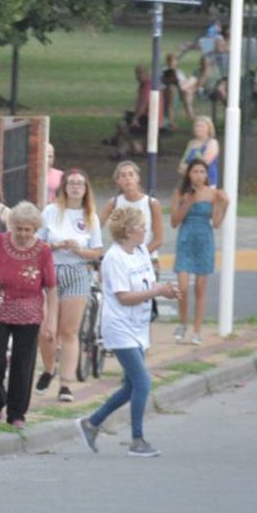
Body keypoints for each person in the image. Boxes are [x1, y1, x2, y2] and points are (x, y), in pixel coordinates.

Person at [76, 206, 178, 458]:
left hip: (139, 326)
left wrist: (163, 289)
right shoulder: (114, 258)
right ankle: (137, 439)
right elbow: (124, 297)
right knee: (142, 382)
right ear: (128, 230)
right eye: (141, 227)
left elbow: (147, 281)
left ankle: (91, 423)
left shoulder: (141, 250)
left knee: (131, 385)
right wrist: (157, 292)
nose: (145, 230)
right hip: (120, 327)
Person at [0, 202, 57, 429]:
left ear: (35, 229)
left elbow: (51, 287)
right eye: (18, 228)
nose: (22, 234)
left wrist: (50, 320)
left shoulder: (43, 251)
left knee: (23, 363)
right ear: (12, 226)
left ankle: (17, 413)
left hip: (29, 312)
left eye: (27, 229)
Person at [39, 169, 104, 403]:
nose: (76, 187)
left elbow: (96, 250)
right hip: (52, 270)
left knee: (69, 331)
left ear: (86, 189)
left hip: (77, 271)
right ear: (64, 186)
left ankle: (66, 384)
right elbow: (38, 242)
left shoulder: (90, 216)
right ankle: (48, 368)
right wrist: (55, 246)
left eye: (80, 184)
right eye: (72, 183)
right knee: (47, 330)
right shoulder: (51, 211)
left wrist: (77, 249)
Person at [170, 158, 231, 345]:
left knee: (200, 287)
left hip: (204, 239)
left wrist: (224, 204)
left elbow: (216, 223)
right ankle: (182, 323)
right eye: (195, 172)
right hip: (186, 237)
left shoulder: (212, 194)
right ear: (189, 174)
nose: (198, 176)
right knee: (182, 286)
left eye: (202, 172)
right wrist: (187, 203)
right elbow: (174, 221)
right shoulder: (180, 193)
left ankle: (197, 330)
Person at [98, 161, 164, 262]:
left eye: (131, 174)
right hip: (121, 258)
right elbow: (96, 227)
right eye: (123, 176)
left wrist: (140, 254)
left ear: (138, 178)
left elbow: (158, 239)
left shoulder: (152, 203)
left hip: (146, 256)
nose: (127, 178)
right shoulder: (113, 203)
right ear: (118, 181)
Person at [177, 115, 220, 187]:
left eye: (202, 126)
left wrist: (187, 169)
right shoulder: (191, 143)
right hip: (189, 181)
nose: (198, 129)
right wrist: (182, 169)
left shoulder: (212, 142)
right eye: (197, 126)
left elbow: (204, 162)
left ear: (209, 129)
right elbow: (183, 161)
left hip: (207, 182)